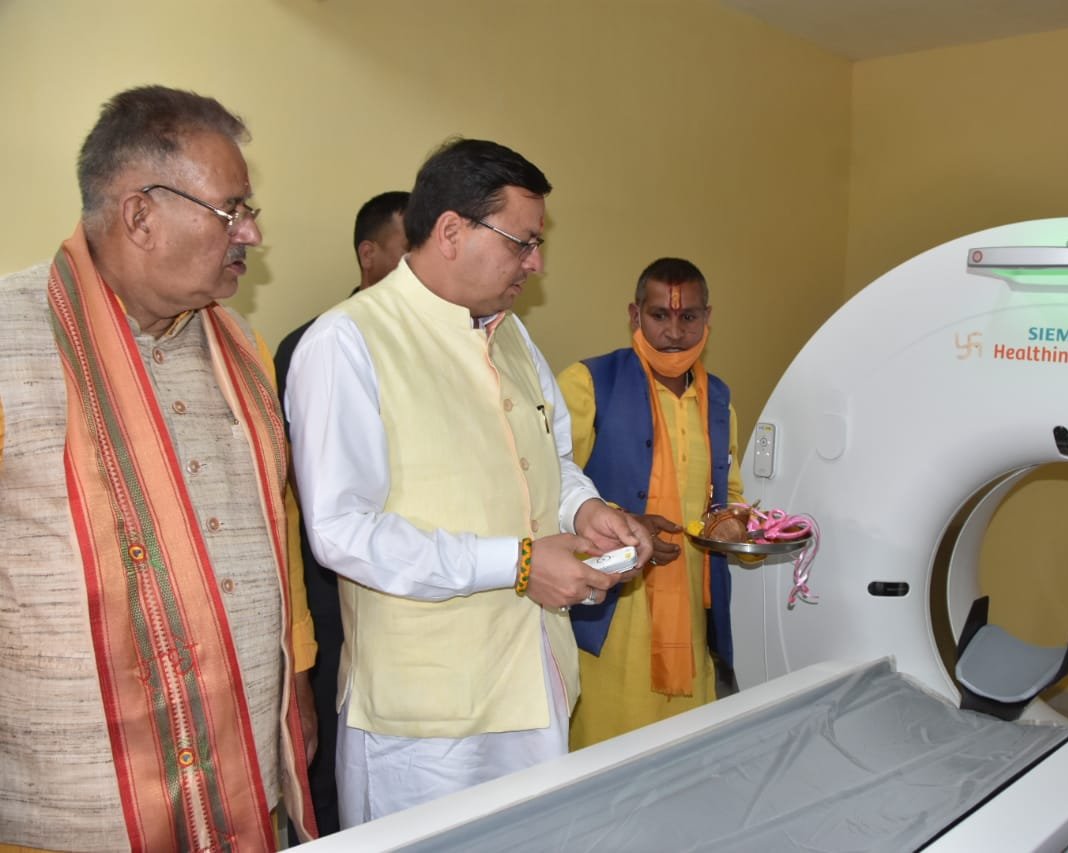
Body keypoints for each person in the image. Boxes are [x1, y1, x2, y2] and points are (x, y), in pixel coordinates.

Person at [284, 137, 653, 827]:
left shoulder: (511, 336)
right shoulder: (348, 341)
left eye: (537, 244)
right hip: (427, 722)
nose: (536, 262)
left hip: (534, 679)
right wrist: (519, 564)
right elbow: (342, 531)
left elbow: (552, 459)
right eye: (523, 242)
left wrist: (585, 510)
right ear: (452, 231)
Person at [0, 85, 318, 851]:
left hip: (243, 769)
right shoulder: (9, 339)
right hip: (73, 801)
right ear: (140, 215)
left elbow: (278, 527)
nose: (252, 233)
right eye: (231, 211)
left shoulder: (242, 348)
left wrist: (298, 681)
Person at [558, 257, 745, 750]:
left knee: (684, 756)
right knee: (603, 756)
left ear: (707, 318)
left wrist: (737, 526)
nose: (675, 333)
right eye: (660, 315)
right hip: (611, 613)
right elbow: (549, 486)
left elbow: (730, 496)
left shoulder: (718, 400)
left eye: (689, 317)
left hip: (693, 613)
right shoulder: (588, 383)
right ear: (634, 314)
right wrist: (623, 521)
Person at [273, 189, 409, 838]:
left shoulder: (444, 343)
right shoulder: (316, 344)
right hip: (333, 589)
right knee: (330, 753)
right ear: (368, 254)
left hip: (422, 593)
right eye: (408, 248)